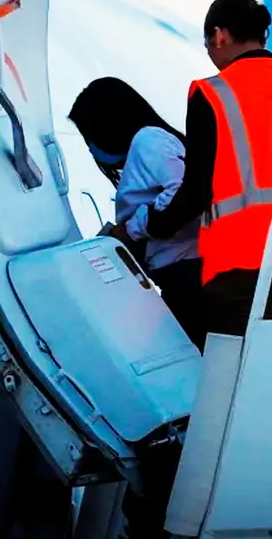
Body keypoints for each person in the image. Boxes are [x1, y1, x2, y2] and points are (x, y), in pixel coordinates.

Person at [121, 0, 272, 336]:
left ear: (219, 35)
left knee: (234, 373)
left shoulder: (212, 94)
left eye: (208, 42)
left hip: (242, 262)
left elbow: (196, 193)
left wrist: (141, 226)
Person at [68, 77, 205, 345]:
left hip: (187, 275)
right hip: (180, 274)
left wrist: (129, 230)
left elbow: (183, 192)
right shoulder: (151, 145)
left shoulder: (148, 140)